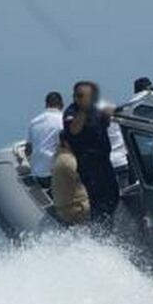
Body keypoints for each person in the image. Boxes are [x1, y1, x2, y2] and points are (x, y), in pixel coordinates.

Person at [63, 81, 120, 224]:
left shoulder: (96, 111)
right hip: (88, 162)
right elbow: (74, 130)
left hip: (103, 161)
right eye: (79, 96)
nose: (81, 98)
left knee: (112, 196)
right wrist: (83, 110)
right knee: (98, 199)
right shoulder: (72, 113)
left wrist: (109, 112)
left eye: (86, 96)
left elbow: (109, 118)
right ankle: (100, 231)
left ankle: (106, 226)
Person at [24, 91, 64, 190]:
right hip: (56, 173)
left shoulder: (34, 122)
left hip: (38, 173)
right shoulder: (63, 121)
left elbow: (28, 149)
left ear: (46, 104)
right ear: (62, 105)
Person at [50, 131, 90, 225]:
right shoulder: (70, 160)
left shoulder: (58, 157)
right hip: (78, 209)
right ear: (66, 143)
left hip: (63, 211)